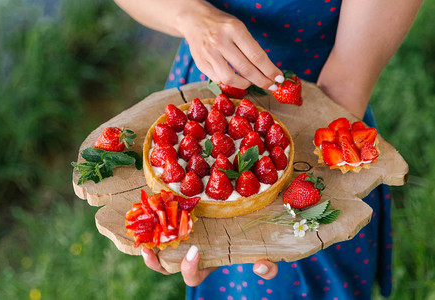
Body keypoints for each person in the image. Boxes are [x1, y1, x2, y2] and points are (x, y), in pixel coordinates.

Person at [114, 0, 422, 298]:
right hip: (203, 100)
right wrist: (191, 16)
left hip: (314, 124)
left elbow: (345, 82)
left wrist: (278, 225)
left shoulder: (318, 119)